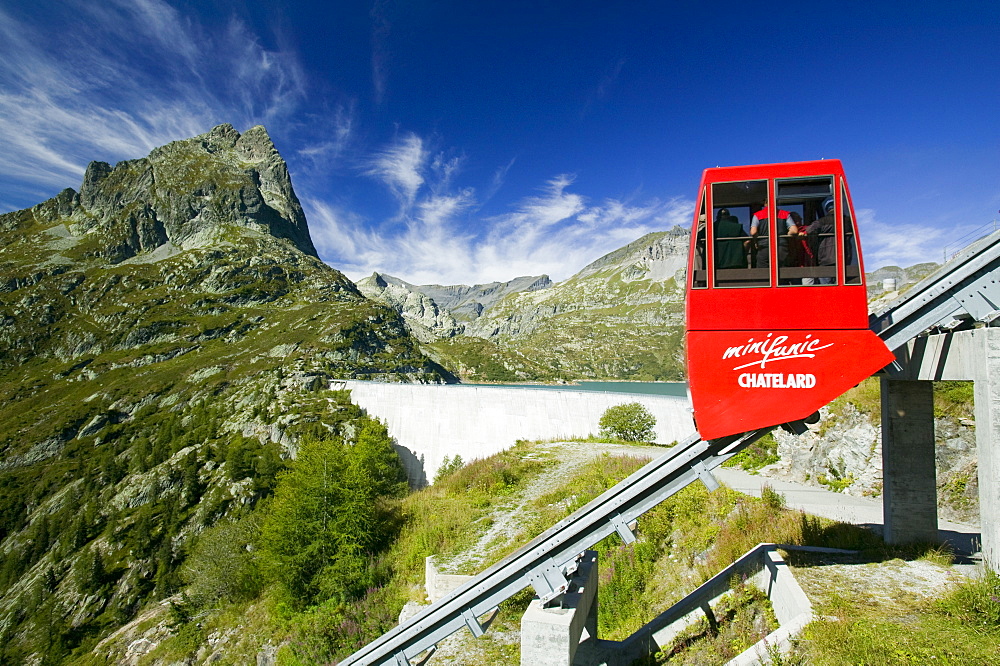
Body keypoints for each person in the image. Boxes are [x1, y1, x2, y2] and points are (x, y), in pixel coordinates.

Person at [749, 203, 797, 268]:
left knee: (762, 272)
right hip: (781, 246)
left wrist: (756, 241)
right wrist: (786, 235)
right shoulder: (785, 214)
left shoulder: (757, 215)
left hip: (763, 247)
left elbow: (753, 232)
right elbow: (794, 230)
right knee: (783, 271)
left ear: (765, 204)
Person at [807, 197, 837, 284]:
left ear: (827, 209)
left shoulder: (822, 221)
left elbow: (809, 230)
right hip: (845, 257)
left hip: (826, 257)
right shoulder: (846, 221)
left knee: (826, 284)